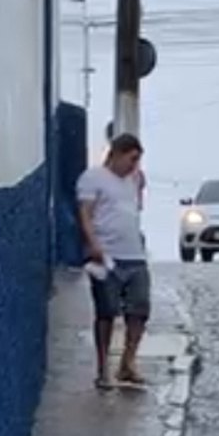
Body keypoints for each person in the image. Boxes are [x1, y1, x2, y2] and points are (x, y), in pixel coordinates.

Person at [76, 133, 150, 389]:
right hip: (106, 255)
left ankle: (127, 363)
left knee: (139, 310)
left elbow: (134, 209)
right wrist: (93, 243)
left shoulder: (134, 179)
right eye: (131, 159)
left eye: (138, 160)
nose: (134, 165)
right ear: (116, 154)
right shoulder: (93, 178)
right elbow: (85, 213)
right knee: (106, 313)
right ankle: (102, 368)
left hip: (135, 255)